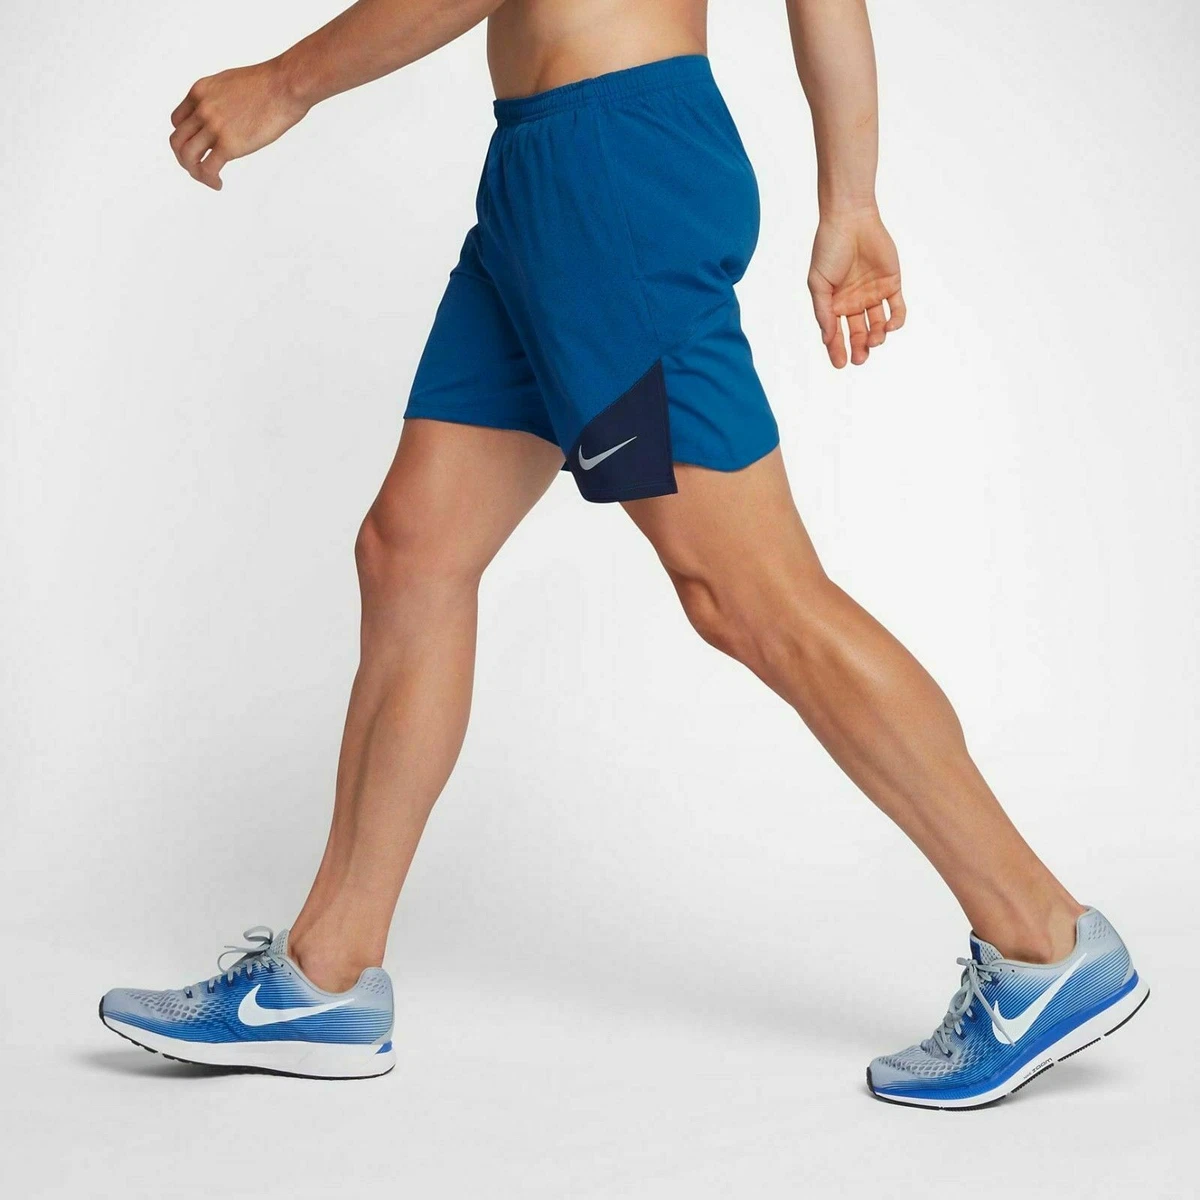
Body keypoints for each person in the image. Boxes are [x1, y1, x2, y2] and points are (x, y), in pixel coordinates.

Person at [99, 0, 1146, 1107]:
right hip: (550, 177)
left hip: (607, 179)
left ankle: (1042, 940)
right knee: (411, 552)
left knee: (750, 595)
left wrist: (287, 82)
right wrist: (848, 201)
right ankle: (325, 978)